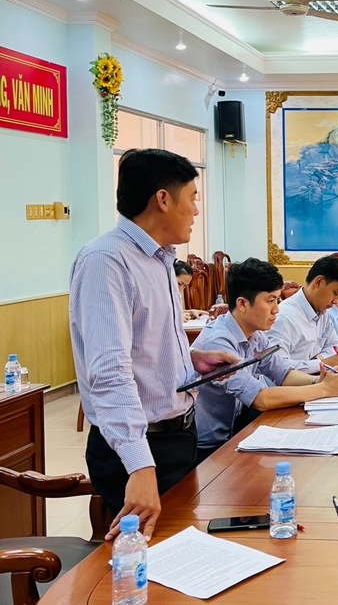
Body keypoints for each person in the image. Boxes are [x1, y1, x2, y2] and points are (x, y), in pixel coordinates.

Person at [70, 148, 239, 542]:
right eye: (192, 197)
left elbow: (145, 345)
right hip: (140, 446)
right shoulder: (107, 260)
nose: (196, 210)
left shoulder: (160, 259)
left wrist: (191, 360)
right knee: (146, 561)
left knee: (182, 548)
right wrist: (139, 466)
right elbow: (109, 373)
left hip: (178, 434)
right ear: (163, 199)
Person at [192, 258, 338, 463]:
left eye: (278, 300)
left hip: (238, 431)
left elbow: (283, 373)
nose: (277, 309)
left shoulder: (256, 334)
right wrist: (324, 389)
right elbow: (261, 399)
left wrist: (319, 380)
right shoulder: (218, 342)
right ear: (242, 303)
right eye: (270, 301)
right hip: (207, 448)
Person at [266, 255, 338, 374]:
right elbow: (277, 367)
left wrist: (319, 360)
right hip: (292, 384)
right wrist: (322, 363)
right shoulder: (285, 317)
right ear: (318, 282)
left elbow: (335, 345)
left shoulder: (323, 312)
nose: (336, 301)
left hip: (317, 378)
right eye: (335, 293)